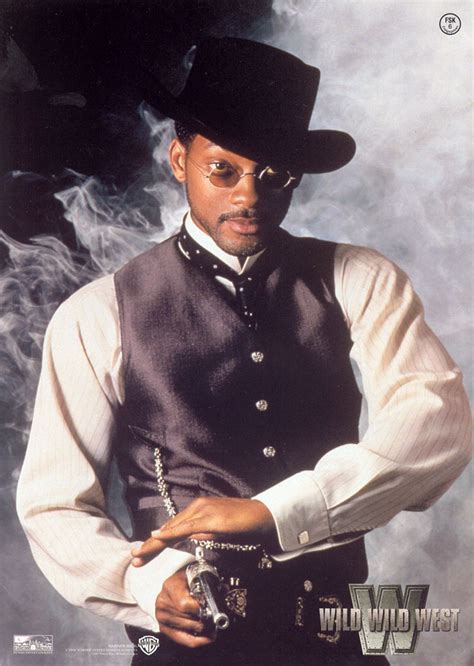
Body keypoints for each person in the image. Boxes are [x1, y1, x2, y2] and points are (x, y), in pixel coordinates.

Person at [17, 37, 471, 665]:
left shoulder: (360, 278)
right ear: (180, 159)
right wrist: (145, 583)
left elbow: (438, 424)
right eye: (223, 170)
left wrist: (273, 511)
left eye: (273, 175)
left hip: (339, 644)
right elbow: (53, 504)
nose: (249, 196)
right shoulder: (97, 314)